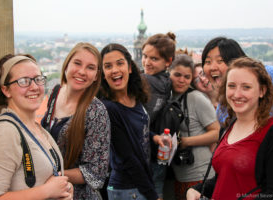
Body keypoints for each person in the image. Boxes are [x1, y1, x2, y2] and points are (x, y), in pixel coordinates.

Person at [186, 57, 273, 200]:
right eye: (232, 86)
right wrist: (195, 190)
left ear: (262, 91)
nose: (237, 94)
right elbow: (223, 178)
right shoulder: (228, 127)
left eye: (246, 87)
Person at [0, 54, 73, 199]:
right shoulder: (6, 132)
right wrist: (47, 191)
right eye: (23, 81)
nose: (34, 87)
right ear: (6, 90)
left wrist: (65, 188)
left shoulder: (37, 129)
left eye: (38, 79)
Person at [41, 43, 110, 199]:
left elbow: (95, 173)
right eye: (77, 63)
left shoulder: (96, 111)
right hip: (49, 191)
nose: (82, 71)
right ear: (66, 65)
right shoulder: (56, 91)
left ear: (96, 76)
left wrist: (52, 175)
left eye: (90, 67)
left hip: (78, 195)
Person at [99, 43, 164, 200]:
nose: (115, 70)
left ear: (129, 67)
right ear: (103, 73)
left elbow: (134, 132)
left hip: (140, 184)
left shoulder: (134, 97)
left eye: (120, 63)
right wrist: (152, 195)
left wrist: (154, 137)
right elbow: (128, 159)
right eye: (108, 66)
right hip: (127, 189)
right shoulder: (109, 108)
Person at [201, 36, 273, 129]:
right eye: (208, 62)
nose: (212, 67)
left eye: (220, 61)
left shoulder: (270, 75)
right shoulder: (222, 110)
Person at [169, 54, 219, 200]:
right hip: (180, 177)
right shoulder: (168, 98)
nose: (181, 80)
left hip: (201, 176)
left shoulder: (196, 98)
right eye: (177, 75)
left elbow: (216, 133)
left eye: (187, 76)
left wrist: (184, 142)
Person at [141, 32, 176, 200]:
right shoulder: (166, 81)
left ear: (168, 62)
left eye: (154, 59)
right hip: (159, 151)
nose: (147, 62)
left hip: (146, 149)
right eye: (145, 56)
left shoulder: (146, 81)